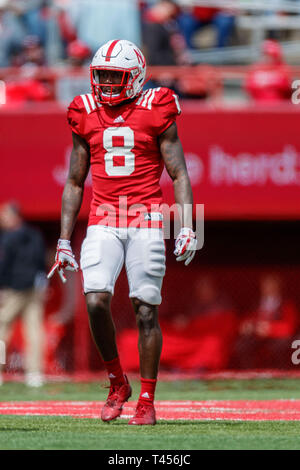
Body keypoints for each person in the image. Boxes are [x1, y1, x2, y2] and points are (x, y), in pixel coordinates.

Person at [47, 39, 197, 425]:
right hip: (104, 219)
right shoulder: (84, 111)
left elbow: (179, 172)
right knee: (95, 300)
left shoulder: (157, 107)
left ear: (136, 76)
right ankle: (117, 382)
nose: (108, 84)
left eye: (116, 75)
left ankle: (147, 399)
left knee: (145, 308)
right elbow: (75, 180)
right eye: (102, 76)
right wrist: (64, 238)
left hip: (146, 217)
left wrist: (185, 227)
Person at [0, 202, 47, 387]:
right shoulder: (35, 235)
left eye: (5, 215)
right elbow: (41, 261)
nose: (2, 219)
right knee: (34, 331)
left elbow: (3, 266)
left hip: (13, 290)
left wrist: (1, 287)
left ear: (14, 216)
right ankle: (34, 374)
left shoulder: (7, 238)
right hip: (34, 288)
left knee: (2, 329)